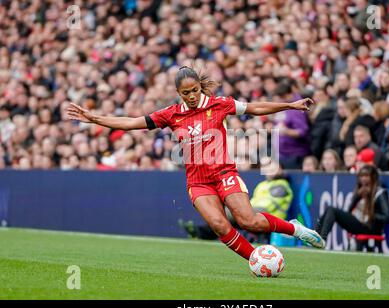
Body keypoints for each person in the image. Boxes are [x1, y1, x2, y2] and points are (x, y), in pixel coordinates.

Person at [66, 66, 325, 262]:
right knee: (219, 225)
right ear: (178, 93)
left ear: (200, 88)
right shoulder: (170, 114)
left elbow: (255, 107)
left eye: (195, 91)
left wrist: (290, 105)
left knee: (248, 221)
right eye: (186, 93)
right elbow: (131, 122)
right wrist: (95, 118)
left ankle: (296, 229)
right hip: (198, 182)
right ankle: (256, 260)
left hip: (224, 173)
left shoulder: (219, 104)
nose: (191, 96)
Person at [315, 165, 389, 244]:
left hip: (370, 227)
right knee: (330, 209)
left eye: (366, 176)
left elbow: (387, 217)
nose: (363, 179)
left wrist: (371, 215)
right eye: (361, 176)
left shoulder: (379, 193)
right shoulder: (360, 190)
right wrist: (357, 196)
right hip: (358, 222)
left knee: (332, 210)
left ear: (373, 177)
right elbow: (349, 211)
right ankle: (316, 236)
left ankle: (321, 240)